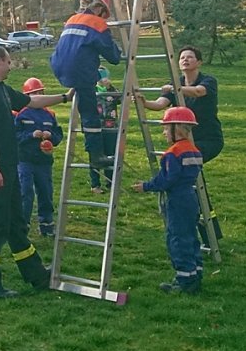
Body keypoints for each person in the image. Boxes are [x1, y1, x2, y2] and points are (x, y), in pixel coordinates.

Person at [0, 46, 73, 299]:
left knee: (16, 223)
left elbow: (32, 101)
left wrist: (64, 97)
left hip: (8, 168)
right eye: (8, 61)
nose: (11, 65)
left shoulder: (2, 90)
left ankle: (36, 275)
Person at [137, 45, 223, 242]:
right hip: (186, 143)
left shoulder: (208, 81)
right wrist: (144, 102)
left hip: (208, 140)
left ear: (198, 62)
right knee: (192, 181)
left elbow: (199, 92)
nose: (185, 60)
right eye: (182, 57)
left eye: (190, 57)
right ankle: (208, 231)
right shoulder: (174, 84)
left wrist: (176, 89)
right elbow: (160, 104)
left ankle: (195, 225)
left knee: (186, 177)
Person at [131, 107, 203, 295]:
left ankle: (184, 281)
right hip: (190, 197)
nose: (163, 133)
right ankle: (196, 274)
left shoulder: (173, 153)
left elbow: (166, 179)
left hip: (177, 200)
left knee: (177, 239)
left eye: (165, 129)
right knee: (191, 236)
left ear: (176, 129)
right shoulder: (194, 151)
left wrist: (146, 186)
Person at [50, 0, 121, 169]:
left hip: (59, 67)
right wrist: (116, 47)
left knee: (89, 81)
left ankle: (95, 153)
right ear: (98, 8)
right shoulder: (97, 24)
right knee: (90, 113)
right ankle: (96, 155)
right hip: (80, 72)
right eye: (103, 14)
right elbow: (113, 58)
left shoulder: (71, 20)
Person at [15, 77, 64, 236]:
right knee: (25, 193)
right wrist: (31, 135)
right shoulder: (19, 114)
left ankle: (47, 225)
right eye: (34, 93)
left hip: (44, 161)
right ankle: (23, 226)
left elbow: (58, 135)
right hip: (25, 160)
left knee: (46, 192)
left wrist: (51, 137)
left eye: (40, 93)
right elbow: (14, 136)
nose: (38, 96)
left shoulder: (50, 114)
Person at [90, 66, 121, 194]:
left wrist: (110, 88)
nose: (103, 80)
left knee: (111, 155)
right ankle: (95, 184)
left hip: (111, 127)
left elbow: (120, 99)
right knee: (95, 156)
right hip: (95, 128)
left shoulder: (112, 91)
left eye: (105, 77)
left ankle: (110, 182)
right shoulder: (92, 90)